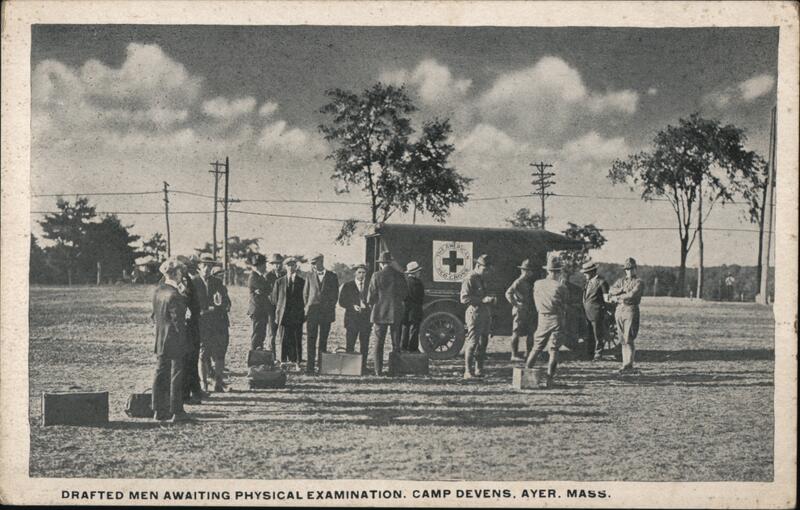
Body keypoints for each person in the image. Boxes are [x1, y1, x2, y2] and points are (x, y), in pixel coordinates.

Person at [151, 257, 191, 422]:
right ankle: (177, 411)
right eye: (181, 271)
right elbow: (178, 322)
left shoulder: (158, 291)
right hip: (175, 339)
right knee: (176, 375)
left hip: (161, 339)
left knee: (161, 374)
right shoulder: (176, 295)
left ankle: (158, 410)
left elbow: (154, 316)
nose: (182, 275)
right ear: (176, 273)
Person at [525, 255, 569, 388]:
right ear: (559, 271)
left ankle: (526, 376)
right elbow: (565, 303)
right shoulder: (561, 287)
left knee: (536, 347)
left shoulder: (537, 284)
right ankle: (550, 379)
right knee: (554, 349)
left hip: (542, 317)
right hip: (556, 318)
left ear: (548, 270)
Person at [366, 251, 408, 376]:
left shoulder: (376, 275)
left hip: (380, 313)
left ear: (381, 264)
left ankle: (378, 371)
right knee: (396, 344)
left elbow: (370, 297)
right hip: (396, 313)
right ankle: (394, 371)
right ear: (390, 262)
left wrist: (373, 304)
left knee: (379, 343)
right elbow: (405, 294)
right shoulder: (400, 275)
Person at [197, 255, 231, 392]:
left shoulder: (217, 283)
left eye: (210, 266)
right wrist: (202, 310)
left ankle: (218, 382)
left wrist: (219, 305)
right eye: (204, 265)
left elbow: (227, 303)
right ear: (199, 266)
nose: (207, 269)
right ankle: (204, 385)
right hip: (201, 325)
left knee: (220, 353)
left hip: (219, 324)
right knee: (203, 354)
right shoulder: (193, 282)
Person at [460, 254, 496, 379]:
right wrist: (482, 300)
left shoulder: (482, 277)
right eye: (485, 269)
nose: (487, 272)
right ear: (478, 266)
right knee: (473, 342)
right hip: (474, 313)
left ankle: (479, 369)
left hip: (485, 312)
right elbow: (464, 298)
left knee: (483, 341)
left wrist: (491, 299)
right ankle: (468, 371)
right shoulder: (470, 278)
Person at [303, 253, 340, 374]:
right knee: (311, 340)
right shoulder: (309, 276)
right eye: (312, 264)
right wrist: (309, 307)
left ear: (321, 262)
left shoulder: (332, 276)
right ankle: (309, 368)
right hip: (312, 312)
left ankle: (322, 367)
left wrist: (328, 307)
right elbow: (305, 294)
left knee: (323, 340)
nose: (313, 266)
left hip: (326, 312)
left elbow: (335, 295)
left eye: (315, 263)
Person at [608, 257, 645, 374]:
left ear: (635, 269)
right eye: (627, 269)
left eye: (631, 268)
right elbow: (611, 290)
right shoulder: (621, 281)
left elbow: (632, 295)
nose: (629, 271)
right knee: (622, 339)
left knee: (629, 338)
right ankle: (625, 364)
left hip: (630, 309)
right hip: (619, 310)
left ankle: (629, 364)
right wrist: (622, 290)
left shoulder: (638, 282)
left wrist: (618, 296)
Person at [179, 255, 205, 404]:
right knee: (185, 361)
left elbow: (194, 302)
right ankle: (185, 395)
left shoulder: (188, 280)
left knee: (192, 360)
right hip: (184, 328)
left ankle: (195, 390)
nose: (185, 269)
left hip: (193, 326)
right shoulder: (169, 283)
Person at [271, 256, 305, 365]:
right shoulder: (279, 282)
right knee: (284, 339)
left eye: (293, 265)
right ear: (285, 267)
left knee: (296, 339)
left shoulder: (302, 282)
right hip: (283, 315)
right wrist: (280, 310)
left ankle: (297, 361)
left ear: (296, 266)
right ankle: (284, 361)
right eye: (288, 265)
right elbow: (274, 299)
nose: (290, 267)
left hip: (297, 315)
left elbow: (304, 298)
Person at [338, 263, 371, 371]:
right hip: (352, 319)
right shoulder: (348, 285)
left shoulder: (369, 286)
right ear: (355, 273)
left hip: (366, 319)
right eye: (359, 272)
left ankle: (363, 366)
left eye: (364, 273)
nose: (361, 275)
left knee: (364, 344)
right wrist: (352, 306)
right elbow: (341, 301)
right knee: (350, 343)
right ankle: (349, 367)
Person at [504, 259, 537, 362]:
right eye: (530, 271)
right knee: (516, 332)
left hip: (528, 309)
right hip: (520, 310)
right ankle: (514, 354)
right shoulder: (519, 281)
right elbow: (508, 293)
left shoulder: (527, 281)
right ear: (525, 271)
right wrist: (516, 304)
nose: (532, 273)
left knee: (531, 331)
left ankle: (528, 353)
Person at [580, 260, 610, 361]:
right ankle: (589, 354)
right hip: (587, 313)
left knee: (598, 334)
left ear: (592, 272)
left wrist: (606, 310)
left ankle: (598, 354)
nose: (584, 275)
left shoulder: (602, 282)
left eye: (586, 272)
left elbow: (607, 299)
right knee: (589, 335)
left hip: (597, 313)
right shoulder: (588, 283)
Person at [247, 254, 270, 351]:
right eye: (263, 264)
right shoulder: (253, 277)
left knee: (261, 333)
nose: (265, 266)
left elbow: (265, 289)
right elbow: (266, 289)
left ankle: (258, 353)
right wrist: (264, 290)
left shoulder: (260, 276)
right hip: (257, 310)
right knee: (257, 333)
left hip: (261, 310)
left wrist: (263, 291)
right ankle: (254, 354)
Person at [401, 261, 425, 353]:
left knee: (405, 328)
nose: (419, 273)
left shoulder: (405, 281)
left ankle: (403, 347)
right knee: (414, 329)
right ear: (414, 272)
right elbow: (419, 297)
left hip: (406, 309)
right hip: (415, 310)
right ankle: (413, 348)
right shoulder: (417, 283)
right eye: (418, 271)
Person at [265, 253, 284, 354]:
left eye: (279, 263)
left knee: (283, 335)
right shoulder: (268, 276)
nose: (278, 265)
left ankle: (284, 359)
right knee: (272, 334)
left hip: (283, 310)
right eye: (275, 264)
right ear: (272, 265)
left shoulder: (285, 275)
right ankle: (272, 358)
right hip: (271, 309)